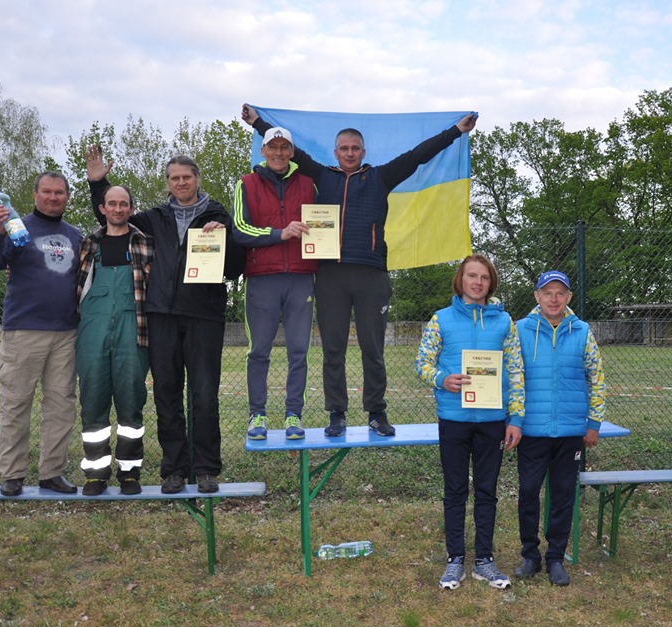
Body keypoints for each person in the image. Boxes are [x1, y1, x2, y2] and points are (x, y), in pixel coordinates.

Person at [242, 104, 477, 438]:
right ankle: (336, 413)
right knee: (333, 349)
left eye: (355, 149)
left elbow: (418, 155)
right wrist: (257, 122)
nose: (349, 153)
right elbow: (286, 147)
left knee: (372, 347)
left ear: (363, 152)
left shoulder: (380, 176)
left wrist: (456, 131)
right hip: (330, 276)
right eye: (344, 149)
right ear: (336, 153)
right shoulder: (322, 176)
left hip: (371, 275)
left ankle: (376, 413)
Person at [86, 147, 245, 494]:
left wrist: (225, 238)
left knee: (204, 395)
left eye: (187, 177)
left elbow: (235, 268)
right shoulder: (153, 218)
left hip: (204, 316)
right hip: (161, 316)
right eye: (175, 178)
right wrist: (99, 184)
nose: (181, 182)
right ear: (168, 183)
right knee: (167, 396)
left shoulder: (217, 214)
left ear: (197, 179)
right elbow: (112, 221)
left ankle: (205, 469)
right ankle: (173, 469)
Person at [415, 254, 525, 590]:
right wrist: (441, 379)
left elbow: (516, 370)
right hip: (454, 419)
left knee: (487, 491)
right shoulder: (441, 320)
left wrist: (515, 417)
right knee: (455, 491)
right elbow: (422, 363)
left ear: (491, 283)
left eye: (484, 277)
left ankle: (484, 561)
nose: (477, 282)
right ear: (461, 280)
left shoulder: (505, 322)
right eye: (471, 276)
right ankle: (454, 561)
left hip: (493, 421)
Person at [0, 172, 83, 496]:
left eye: (59, 193)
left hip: (66, 333)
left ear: (67, 197)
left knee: (61, 407)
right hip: (23, 331)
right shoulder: (15, 228)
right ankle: (12, 474)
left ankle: (52, 472)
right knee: (16, 404)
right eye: (47, 192)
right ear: (35, 195)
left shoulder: (75, 236)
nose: (53, 198)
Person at [514, 270, 606, 586]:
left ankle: (555, 557)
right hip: (531, 430)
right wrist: (512, 420)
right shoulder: (519, 330)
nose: (554, 299)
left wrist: (593, 423)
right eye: (547, 292)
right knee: (527, 492)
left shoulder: (582, 332)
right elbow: (510, 379)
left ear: (568, 298)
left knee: (564, 495)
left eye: (560, 293)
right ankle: (530, 555)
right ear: (537, 297)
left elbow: (597, 379)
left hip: (570, 432)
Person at [230, 126, 317, 441]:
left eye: (284, 147)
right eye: (272, 147)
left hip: (301, 278)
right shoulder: (245, 184)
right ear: (263, 151)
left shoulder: (310, 185)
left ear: (292, 152)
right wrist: (280, 233)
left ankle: (294, 414)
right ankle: (258, 415)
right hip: (262, 279)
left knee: (299, 350)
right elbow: (239, 229)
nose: (278, 153)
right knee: (259, 351)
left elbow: (324, 226)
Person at [76, 185, 153, 496]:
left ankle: (130, 472)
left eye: (124, 204)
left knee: (131, 403)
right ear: (103, 208)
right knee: (92, 401)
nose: (118, 209)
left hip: (133, 331)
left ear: (131, 209)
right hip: (91, 333)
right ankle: (95, 473)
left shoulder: (145, 243)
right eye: (112, 204)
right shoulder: (87, 245)